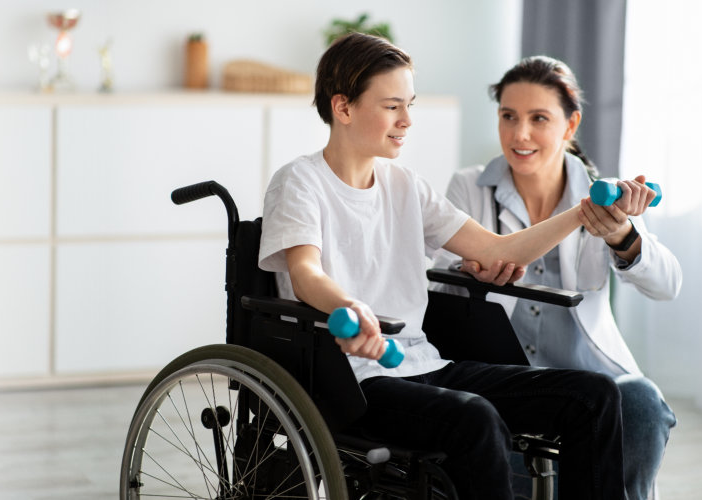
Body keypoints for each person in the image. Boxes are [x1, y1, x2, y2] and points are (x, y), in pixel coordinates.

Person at [257, 34, 627, 499]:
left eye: (409, 105)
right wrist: (349, 306)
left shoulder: (406, 185)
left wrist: (582, 213)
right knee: (475, 418)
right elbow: (306, 273)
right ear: (344, 108)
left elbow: (498, 252)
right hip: (350, 379)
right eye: (393, 106)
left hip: (423, 363)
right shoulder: (299, 182)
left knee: (594, 398)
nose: (407, 121)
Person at [436, 55, 683, 500]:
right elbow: (433, 281)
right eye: (508, 116)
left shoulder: (602, 198)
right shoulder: (469, 187)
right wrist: (467, 269)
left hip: (589, 377)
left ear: (570, 126)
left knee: (642, 403)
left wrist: (624, 237)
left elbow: (667, 284)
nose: (519, 134)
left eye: (539, 119)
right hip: (505, 380)